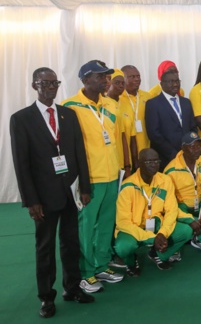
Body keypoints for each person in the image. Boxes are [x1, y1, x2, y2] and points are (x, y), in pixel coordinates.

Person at [11, 67, 95, 318]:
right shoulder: (21, 119)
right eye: (44, 83)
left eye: (54, 82)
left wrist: (86, 188)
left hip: (70, 192)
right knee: (45, 248)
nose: (50, 87)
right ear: (34, 85)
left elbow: (80, 153)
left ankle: (73, 288)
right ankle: (46, 298)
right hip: (43, 197)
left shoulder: (69, 115)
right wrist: (31, 201)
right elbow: (21, 163)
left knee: (71, 243)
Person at [61, 60, 123, 293]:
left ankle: (101, 265)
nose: (105, 80)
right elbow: (69, 147)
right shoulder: (70, 107)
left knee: (106, 224)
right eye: (100, 76)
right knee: (86, 227)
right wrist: (78, 182)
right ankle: (85, 273)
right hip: (89, 178)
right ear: (86, 80)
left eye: (106, 76)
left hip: (111, 175)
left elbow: (114, 139)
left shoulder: (111, 104)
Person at [114, 149, 193, 274]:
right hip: (134, 229)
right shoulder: (127, 186)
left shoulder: (165, 180)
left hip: (157, 225)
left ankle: (158, 254)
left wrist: (162, 233)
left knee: (186, 231)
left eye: (157, 161)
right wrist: (153, 238)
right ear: (139, 163)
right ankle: (131, 261)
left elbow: (171, 210)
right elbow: (123, 222)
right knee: (123, 247)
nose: (154, 165)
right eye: (149, 162)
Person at [146, 69, 197, 170]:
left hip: (188, 156)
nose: (175, 84)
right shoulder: (153, 104)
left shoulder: (186, 102)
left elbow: (193, 127)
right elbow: (154, 134)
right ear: (162, 84)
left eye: (177, 81)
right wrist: (172, 153)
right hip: (166, 158)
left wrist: (190, 149)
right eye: (171, 82)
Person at [107, 69, 136, 178]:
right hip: (111, 162)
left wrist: (129, 165)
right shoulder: (104, 105)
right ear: (109, 83)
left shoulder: (126, 104)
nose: (120, 86)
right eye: (117, 83)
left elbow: (131, 138)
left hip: (125, 162)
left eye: (122, 83)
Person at [119, 65, 152, 154]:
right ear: (123, 79)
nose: (137, 79)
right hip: (126, 152)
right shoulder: (118, 98)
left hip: (146, 149)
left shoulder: (147, 96)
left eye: (138, 76)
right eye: (132, 77)